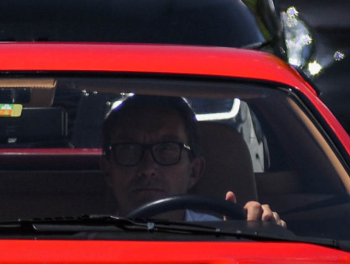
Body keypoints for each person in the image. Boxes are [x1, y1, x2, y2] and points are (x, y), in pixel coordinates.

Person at [99, 96, 286, 229]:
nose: (147, 168)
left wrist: (266, 233)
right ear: (108, 169)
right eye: (130, 150)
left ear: (195, 171)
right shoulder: (82, 244)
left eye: (167, 149)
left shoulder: (225, 237)